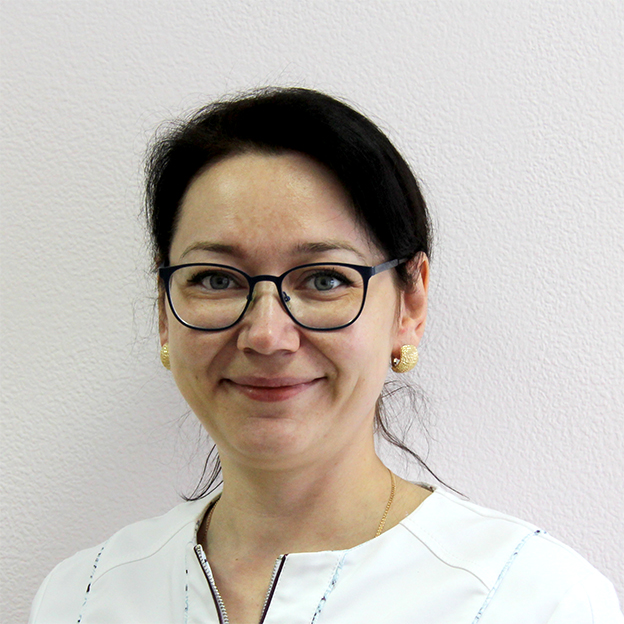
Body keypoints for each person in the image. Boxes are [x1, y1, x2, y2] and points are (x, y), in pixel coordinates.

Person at [29, 88, 623, 624]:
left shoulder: (534, 599)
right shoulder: (82, 597)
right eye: (215, 279)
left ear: (410, 304)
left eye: (324, 279)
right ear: (164, 309)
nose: (267, 335)